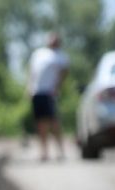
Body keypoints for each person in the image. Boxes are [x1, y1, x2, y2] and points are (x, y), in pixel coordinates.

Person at [27, 32, 70, 162]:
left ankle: (61, 151)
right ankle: (44, 152)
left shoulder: (61, 56)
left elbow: (64, 72)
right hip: (37, 92)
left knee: (54, 122)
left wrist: (57, 87)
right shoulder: (38, 54)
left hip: (49, 92)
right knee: (40, 123)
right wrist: (29, 87)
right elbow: (32, 71)